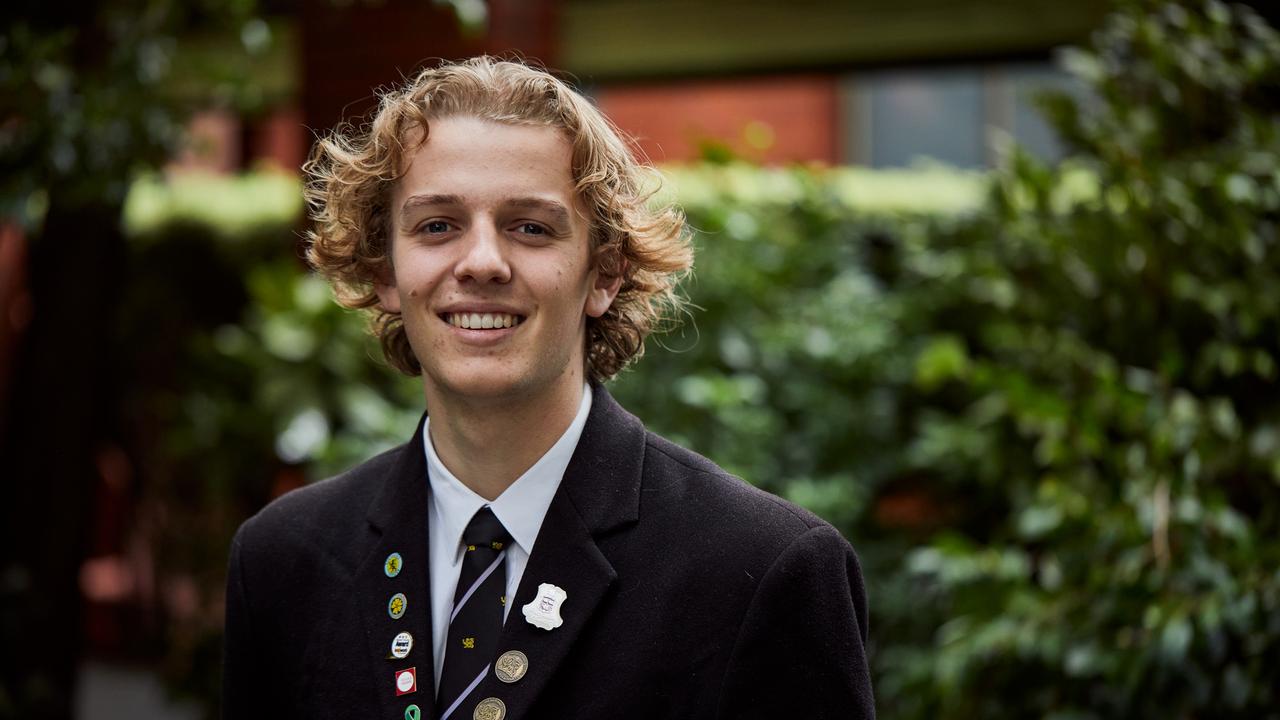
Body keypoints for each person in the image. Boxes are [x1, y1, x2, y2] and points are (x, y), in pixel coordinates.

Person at [222, 56, 874, 720]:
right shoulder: (282, 562)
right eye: (437, 225)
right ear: (384, 269)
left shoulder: (765, 571)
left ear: (606, 274)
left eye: (530, 227)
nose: (481, 262)